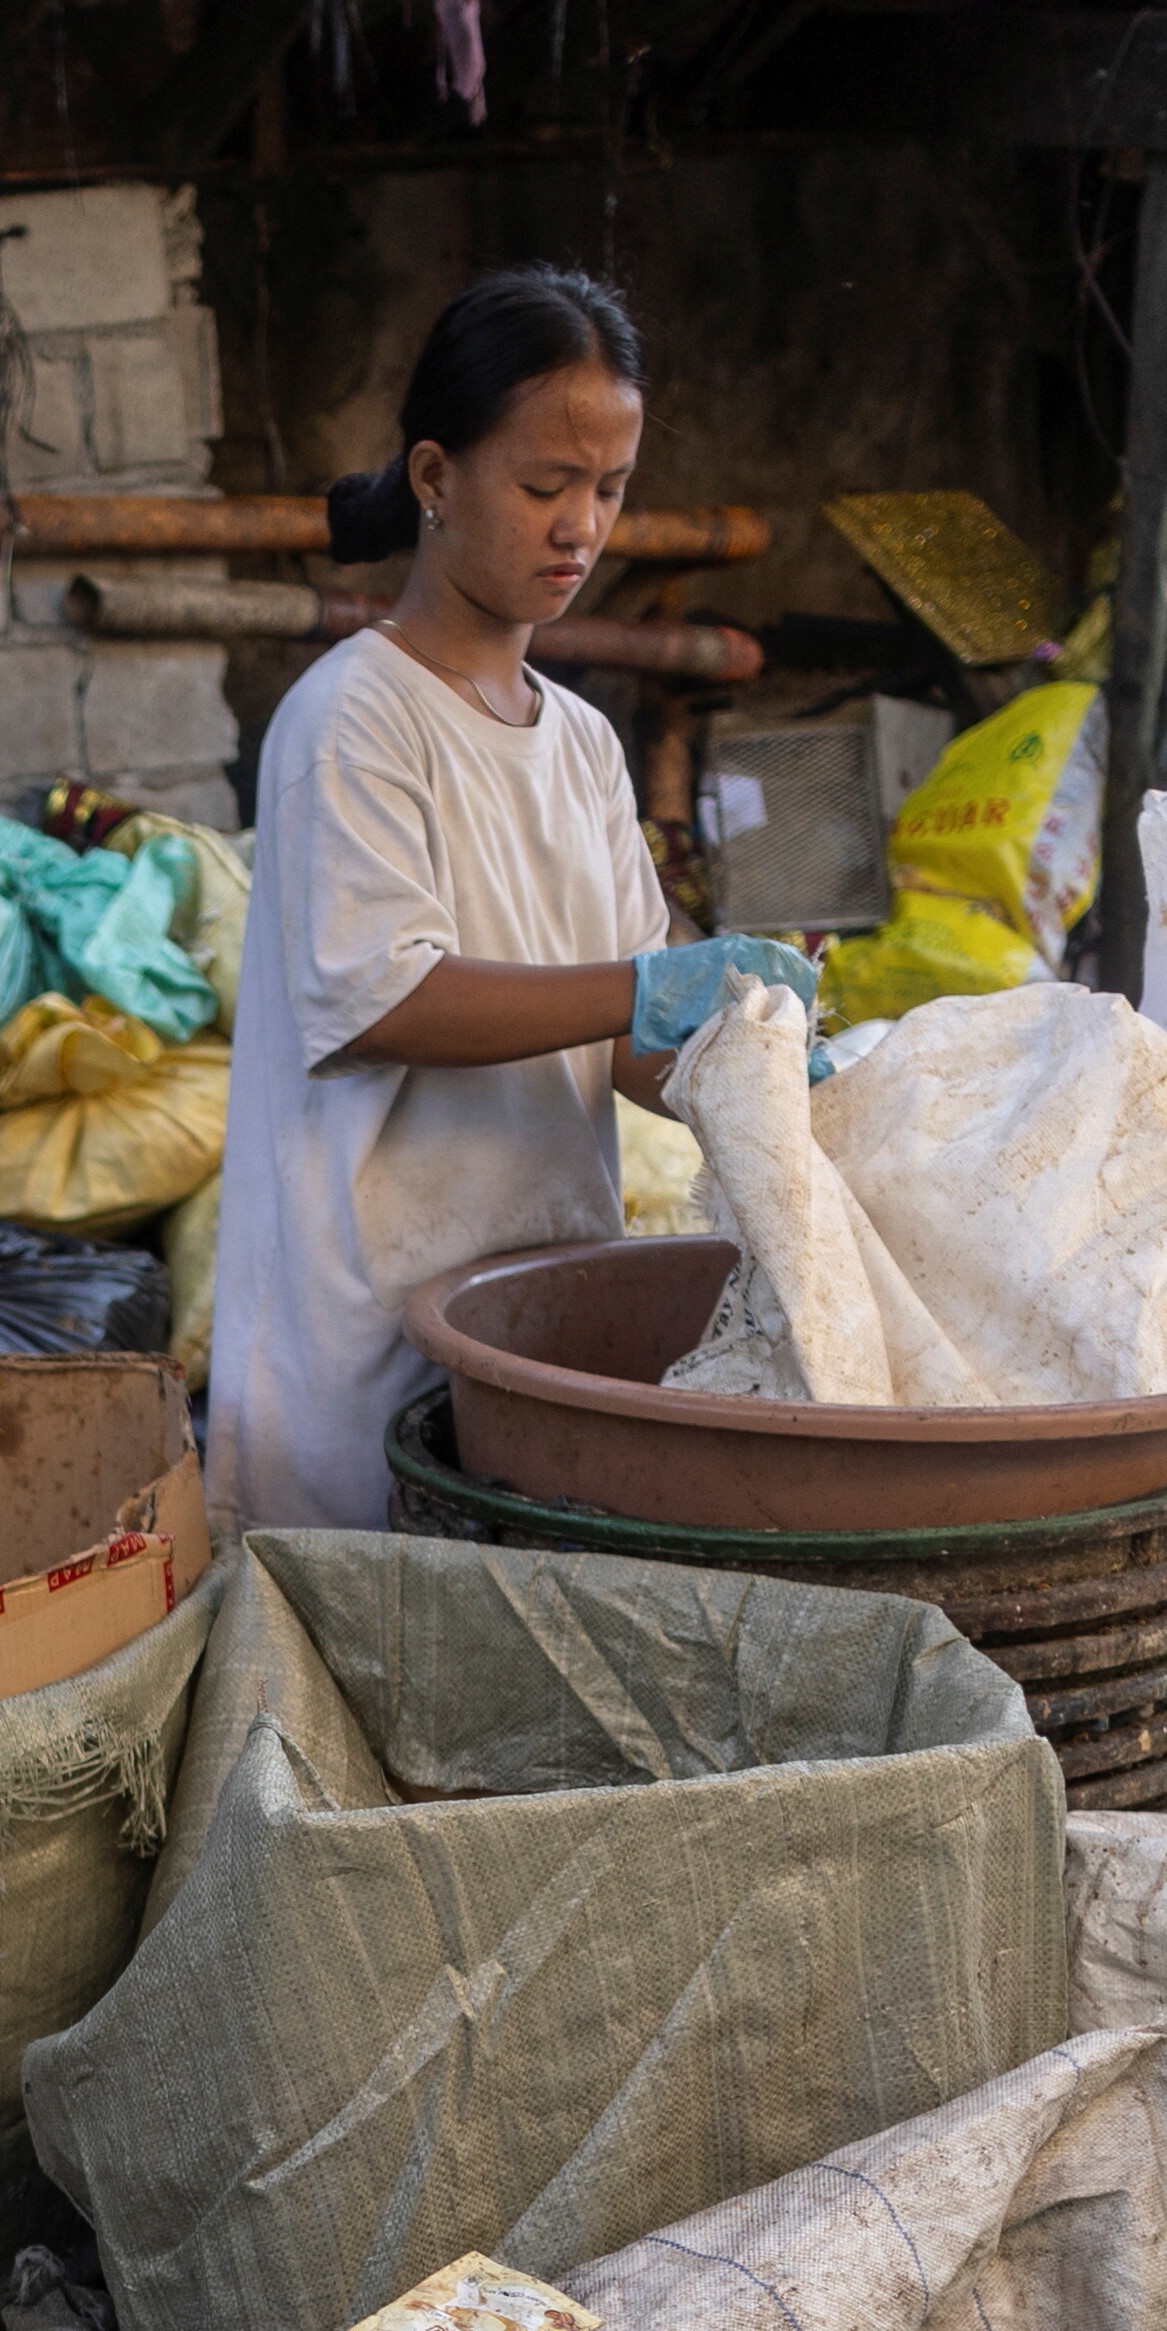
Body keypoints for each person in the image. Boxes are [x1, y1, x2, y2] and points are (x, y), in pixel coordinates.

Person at [208, 264, 814, 1534]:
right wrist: (649, 988)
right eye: (545, 486)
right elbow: (385, 1001)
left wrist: (762, 1059)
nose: (581, 528)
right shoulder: (353, 719)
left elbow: (632, 1040)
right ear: (435, 478)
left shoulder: (583, 741)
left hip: (537, 1329)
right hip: (365, 1343)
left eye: (609, 490)